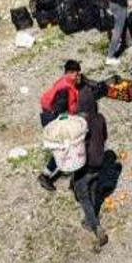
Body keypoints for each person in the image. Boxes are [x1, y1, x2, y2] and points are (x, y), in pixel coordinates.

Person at [69, 86, 109, 252]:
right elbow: (105, 136)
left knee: (82, 195)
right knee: (92, 188)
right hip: (99, 162)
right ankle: (91, 216)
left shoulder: (80, 123)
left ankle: (95, 227)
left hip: (85, 165)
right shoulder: (100, 118)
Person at [38, 60, 83, 189]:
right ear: (70, 73)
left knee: (63, 147)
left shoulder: (64, 81)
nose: (78, 76)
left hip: (50, 113)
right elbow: (60, 111)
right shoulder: (64, 89)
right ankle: (45, 175)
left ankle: (65, 170)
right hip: (53, 117)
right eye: (76, 74)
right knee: (62, 148)